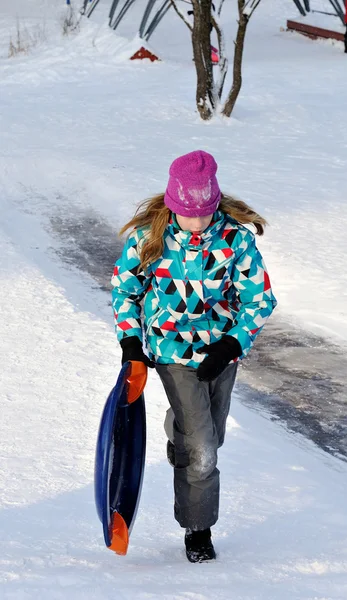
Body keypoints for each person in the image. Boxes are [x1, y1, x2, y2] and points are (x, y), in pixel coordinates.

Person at [111, 150, 277, 563]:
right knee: (203, 448)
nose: (198, 223)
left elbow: (260, 299)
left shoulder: (236, 240)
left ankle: (177, 433)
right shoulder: (149, 237)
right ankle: (197, 528)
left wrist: (231, 344)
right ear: (173, 204)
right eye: (189, 215)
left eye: (205, 213)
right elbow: (124, 290)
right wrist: (131, 342)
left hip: (220, 352)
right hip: (171, 351)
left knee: (209, 435)